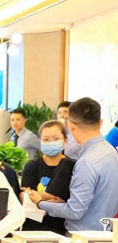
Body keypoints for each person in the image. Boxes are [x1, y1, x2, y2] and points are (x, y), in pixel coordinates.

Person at [27, 97, 118, 231]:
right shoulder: (112, 153)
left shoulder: (87, 161)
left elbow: (75, 211)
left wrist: (40, 203)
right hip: (108, 233)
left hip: (83, 236)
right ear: (100, 122)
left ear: (71, 126)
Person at [20, 120, 72, 235]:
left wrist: (39, 197)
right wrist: (53, 199)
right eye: (46, 139)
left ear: (65, 141)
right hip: (33, 228)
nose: (51, 142)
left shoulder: (71, 166)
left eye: (56, 139)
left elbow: (72, 201)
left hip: (61, 228)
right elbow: (27, 198)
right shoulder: (32, 166)